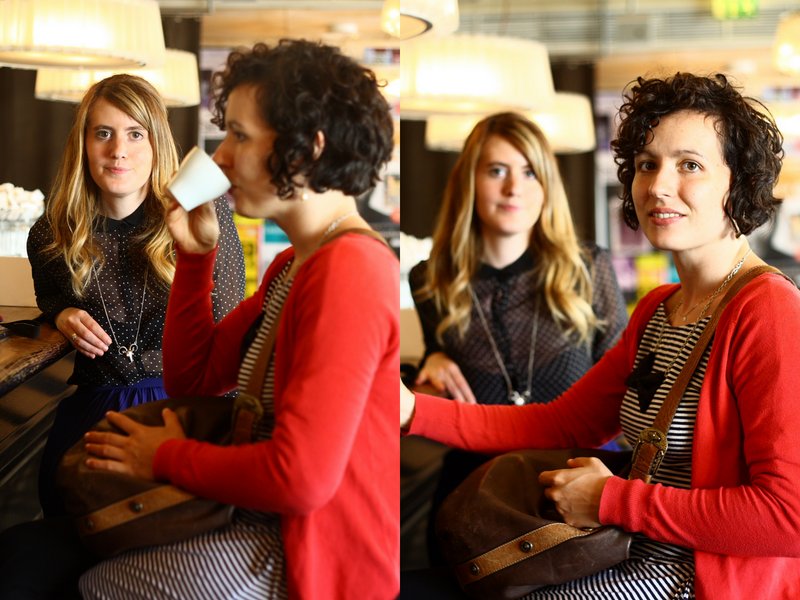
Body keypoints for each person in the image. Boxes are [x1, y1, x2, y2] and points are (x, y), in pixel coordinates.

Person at [401, 73, 800, 599]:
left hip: (688, 581)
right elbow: (562, 422)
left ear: (739, 181)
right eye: (647, 164)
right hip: (621, 555)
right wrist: (411, 410)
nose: (658, 186)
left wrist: (611, 500)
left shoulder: (767, 310)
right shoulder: (660, 308)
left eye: (689, 165)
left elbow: (788, 517)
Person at [78, 40, 399, 599]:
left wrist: (165, 456)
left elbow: (300, 480)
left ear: (307, 149)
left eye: (240, 136)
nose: (221, 156)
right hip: (257, 520)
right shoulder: (296, 264)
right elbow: (195, 379)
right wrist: (196, 258)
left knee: (92, 584)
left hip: (307, 555)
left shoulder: (350, 269)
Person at [0, 74, 245, 600]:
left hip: (183, 415)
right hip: (92, 419)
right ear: (83, 143)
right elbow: (50, 298)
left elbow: (226, 341)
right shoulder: (53, 231)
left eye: (136, 134)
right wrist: (64, 314)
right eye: (103, 133)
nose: (118, 151)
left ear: (157, 143)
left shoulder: (206, 216)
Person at [408, 111, 627, 564]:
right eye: (497, 171)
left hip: (572, 498)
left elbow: (625, 397)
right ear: (470, 182)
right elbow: (439, 370)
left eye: (529, 172)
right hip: (475, 497)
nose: (514, 188)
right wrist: (432, 357)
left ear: (547, 185)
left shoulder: (589, 268)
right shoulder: (430, 281)